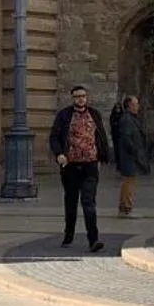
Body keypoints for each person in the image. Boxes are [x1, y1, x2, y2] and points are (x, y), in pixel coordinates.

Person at [48, 85, 109, 251]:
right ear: (72, 98)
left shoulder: (94, 114)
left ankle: (93, 239)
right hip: (70, 166)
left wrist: (102, 157)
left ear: (86, 97)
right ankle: (68, 236)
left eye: (82, 96)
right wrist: (59, 153)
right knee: (71, 202)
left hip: (90, 165)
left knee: (88, 201)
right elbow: (54, 136)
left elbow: (101, 135)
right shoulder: (64, 115)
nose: (80, 99)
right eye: (77, 96)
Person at [111, 94, 150, 218]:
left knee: (129, 182)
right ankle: (126, 208)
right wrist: (135, 150)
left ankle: (124, 207)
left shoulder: (131, 118)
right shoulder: (127, 119)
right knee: (128, 183)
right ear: (129, 105)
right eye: (135, 104)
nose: (138, 106)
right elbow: (126, 138)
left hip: (130, 156)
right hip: (129, 156)